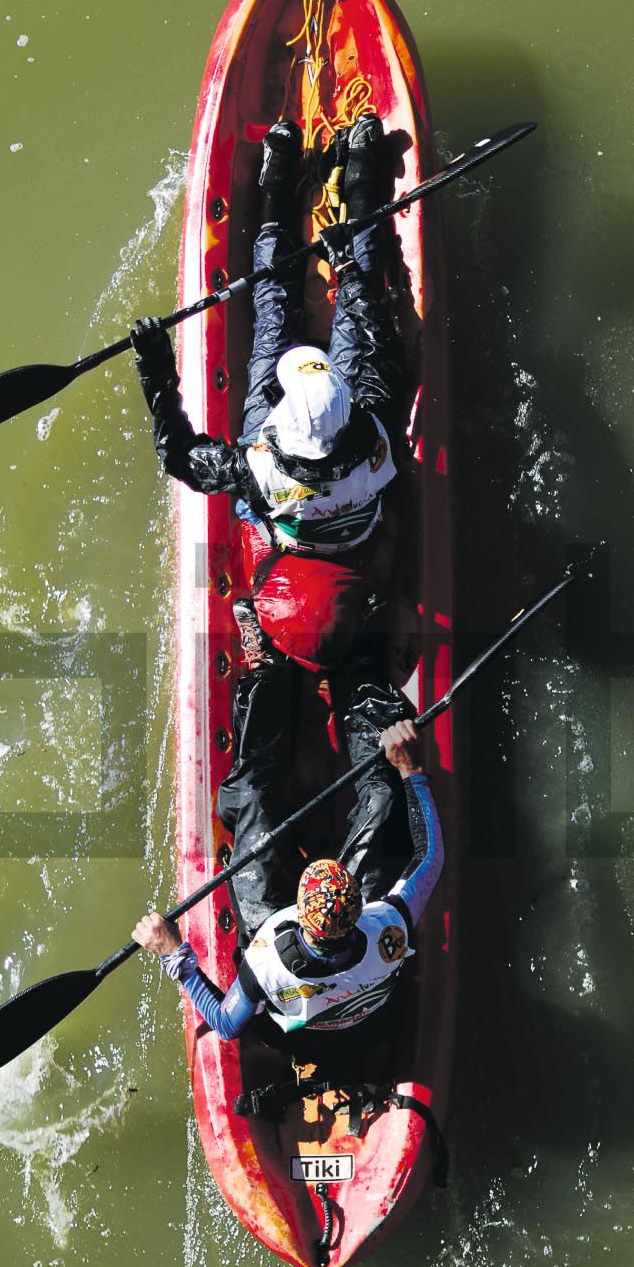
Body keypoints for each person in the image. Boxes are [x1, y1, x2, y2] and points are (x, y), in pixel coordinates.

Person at [133, 114, 415, 931]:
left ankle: (279, 179)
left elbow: (182, 455)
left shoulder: (262, 466)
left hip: (298, 563)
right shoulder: (375, 443)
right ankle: (361, 172)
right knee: (364, 304)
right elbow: (369, 342)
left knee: (270, 311)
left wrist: (156, 371)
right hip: (350, 560)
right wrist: (349, 275)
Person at [131, 720, 443, 1041]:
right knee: (383, 798)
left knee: (252, 804)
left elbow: (225, 1025)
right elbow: (430, 857)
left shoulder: (266, 966)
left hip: (299, 1024)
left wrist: (172, 952)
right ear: (358, 908)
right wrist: (410, 769)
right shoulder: (390, 925)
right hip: (359, 1011)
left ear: (297, 910)